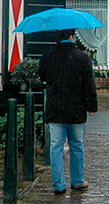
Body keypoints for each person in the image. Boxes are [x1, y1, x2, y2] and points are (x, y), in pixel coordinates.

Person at [37, 30, 98, 194]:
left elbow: (42, 75)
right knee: (77, 145)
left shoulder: (48, 57)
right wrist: (92, 106)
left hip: (55, 108)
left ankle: (59, 185)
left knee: (55, 146)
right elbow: (89, 85)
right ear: (72, 37)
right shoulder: (82, 58)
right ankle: (77, 181)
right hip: (76, 109)